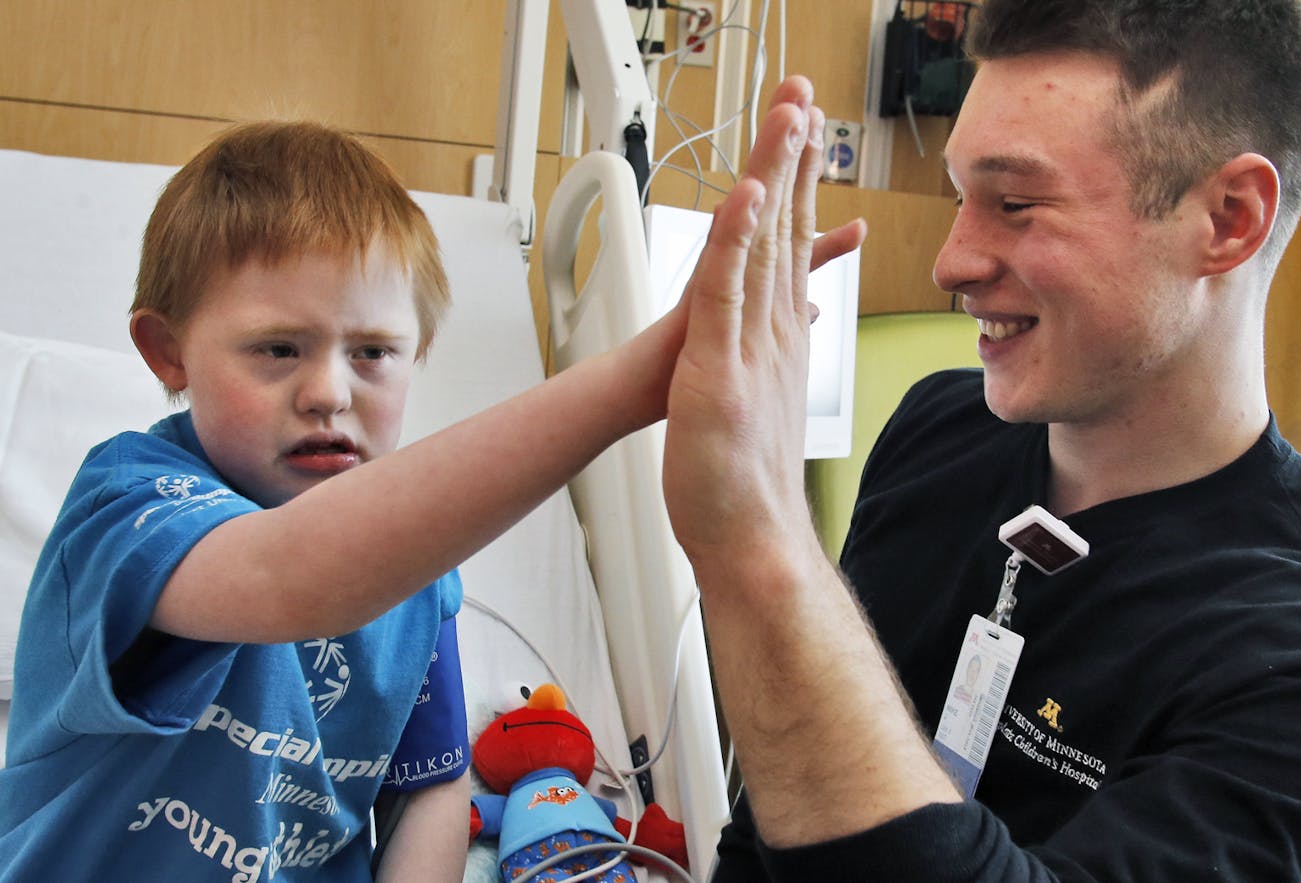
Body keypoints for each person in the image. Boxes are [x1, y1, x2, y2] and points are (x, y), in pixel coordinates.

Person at [658, 2, 1301, 881]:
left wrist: (762, 543)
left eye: (1016, 203)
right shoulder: (938, 429)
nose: (951, 263)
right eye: (961, 195)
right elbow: (776, 827)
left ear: (1228, 218)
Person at [0, 116, 855, 881]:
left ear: (420, 354)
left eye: (373, 351)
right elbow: (288, 579)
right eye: (277, 349)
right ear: (167, 350)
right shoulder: (126, 507)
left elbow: (432, 791)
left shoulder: (418, 580)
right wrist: (630, 383)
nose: (329, 391)